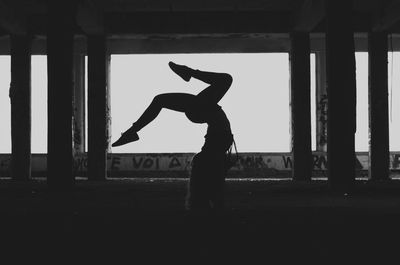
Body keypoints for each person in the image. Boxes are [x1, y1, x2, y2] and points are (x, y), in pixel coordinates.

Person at [112, 62, 234, 213]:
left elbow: (215, 172)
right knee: (225, 80)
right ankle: (188, 72)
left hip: (202, 112)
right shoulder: (214, 151)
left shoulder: (211, 152)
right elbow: (216, 176)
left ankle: (132, 131)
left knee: (161, 99)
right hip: (205, 113)